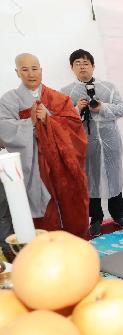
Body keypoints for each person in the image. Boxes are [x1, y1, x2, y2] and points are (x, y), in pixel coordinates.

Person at [0, 53, 88, 237]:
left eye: (34, 68)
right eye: (25, 69)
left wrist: (49, 120)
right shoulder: (9, 100)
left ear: (41, 70)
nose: (31, 74)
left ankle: (74, 252)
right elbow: (3, 129)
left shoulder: (58, 98)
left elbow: (75, 129)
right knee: (44, 218)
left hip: (61, 166)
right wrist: (29, 123)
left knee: (70, 210)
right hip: (33, 169)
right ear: (17, 72)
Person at [61, 49, 123, 237]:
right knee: (91, 179)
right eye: (77, 64)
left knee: (114, 175)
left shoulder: (108, 87)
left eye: (86, 63)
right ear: (72, 68)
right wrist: (77, 109)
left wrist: (103, 107)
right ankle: (96, 219)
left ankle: (118, 214)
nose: (82, 67)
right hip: (86, 142)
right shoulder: (66, 92)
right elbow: (62, 119)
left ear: (93, 66)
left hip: (110, 140)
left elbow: (121, 109)